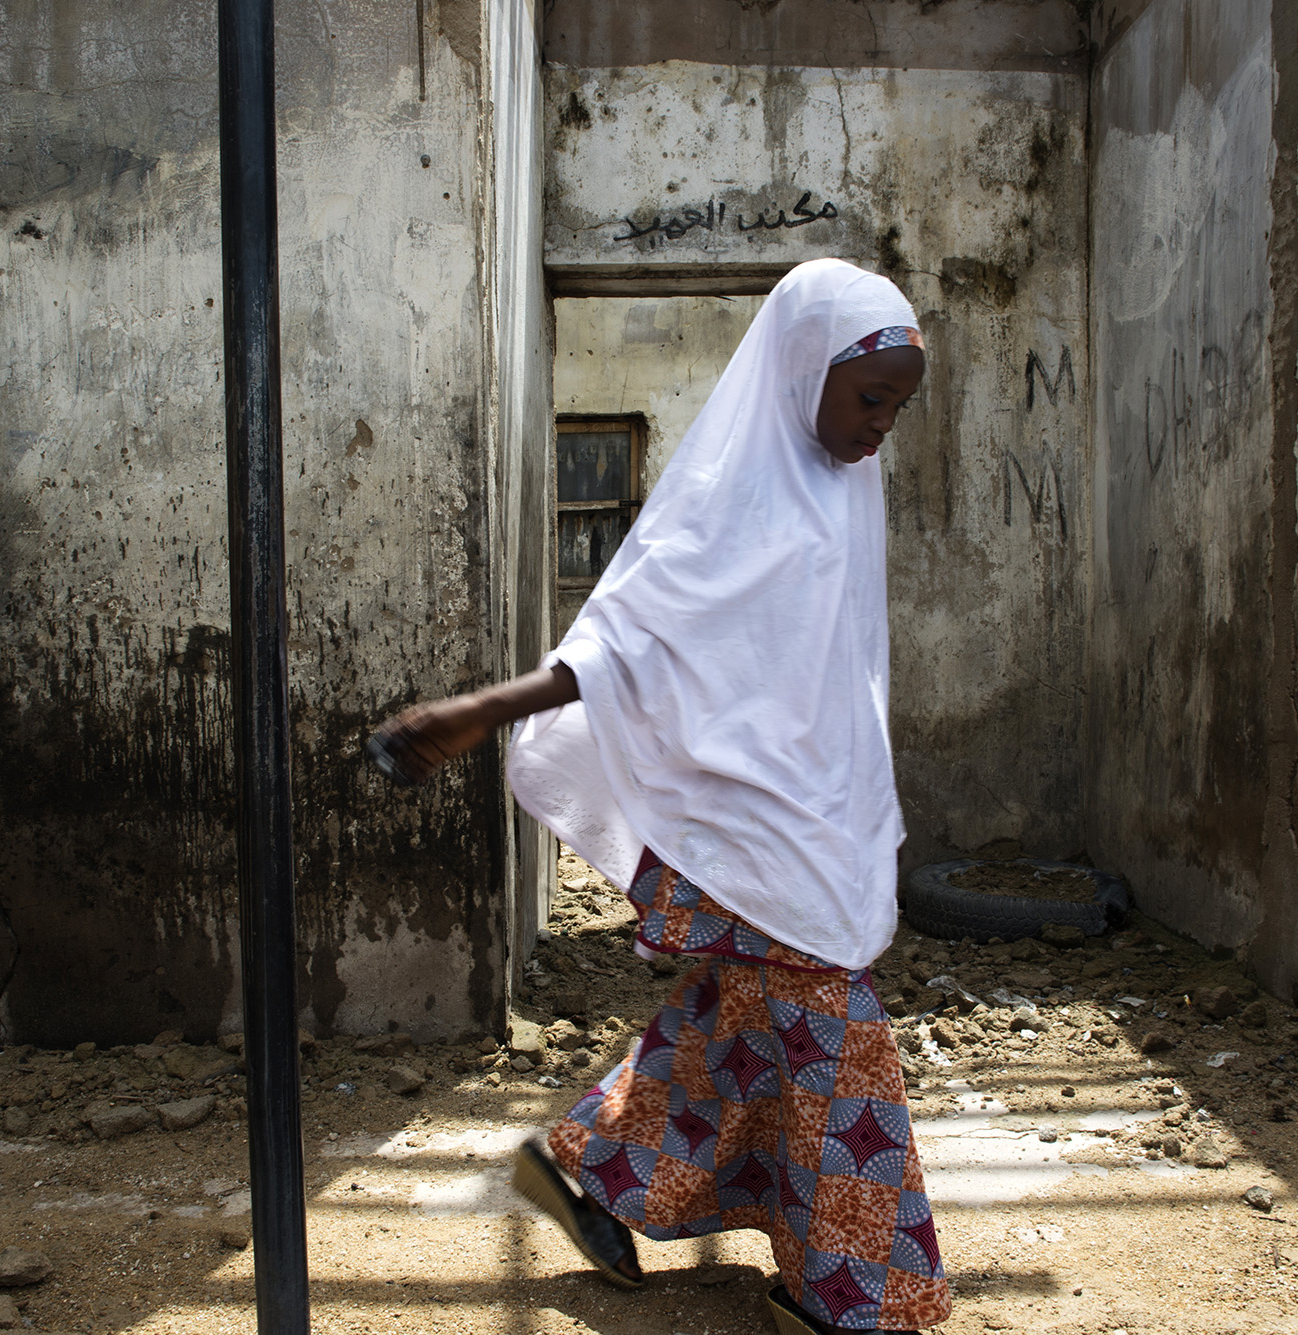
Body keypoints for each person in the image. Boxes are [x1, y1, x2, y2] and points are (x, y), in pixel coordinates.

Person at [366, 258, 947, 1334]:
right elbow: (629, 642)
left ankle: (588, 1160)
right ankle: (858, 1300)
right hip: (741, 833)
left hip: (810, 820)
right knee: (834, 1040)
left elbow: (832, 671)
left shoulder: (842, 487)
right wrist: (479, 712)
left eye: (898, 407)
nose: (881, 428)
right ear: (801, 371)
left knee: (739, 1023)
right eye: (870, 399)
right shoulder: (732, 496)